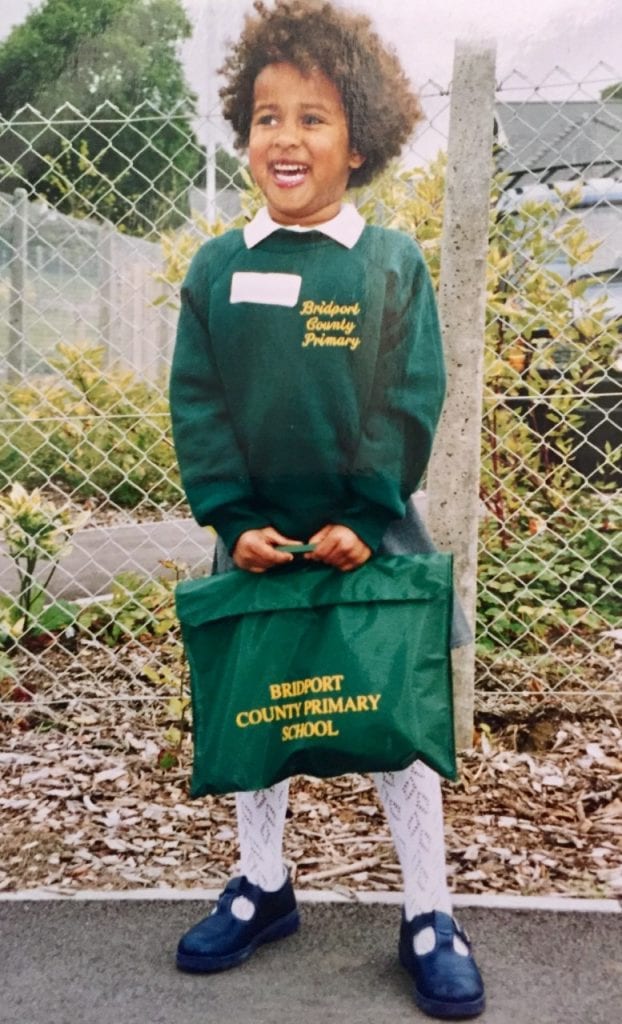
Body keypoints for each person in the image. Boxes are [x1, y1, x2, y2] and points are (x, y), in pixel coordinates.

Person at [169, 0, 484, 1018]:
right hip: (256, 538)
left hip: (368, 531)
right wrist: (227, 516)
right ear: (244, 132)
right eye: (268, 116)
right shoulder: (218, 268)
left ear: (359, 141)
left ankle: (428, 910)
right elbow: (201, 401)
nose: (286, 137)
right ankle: (263, 884)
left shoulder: (388, 261)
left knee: (394, 721)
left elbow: (406, 393)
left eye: (313, 117)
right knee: (261, 712)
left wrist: (364, 503)